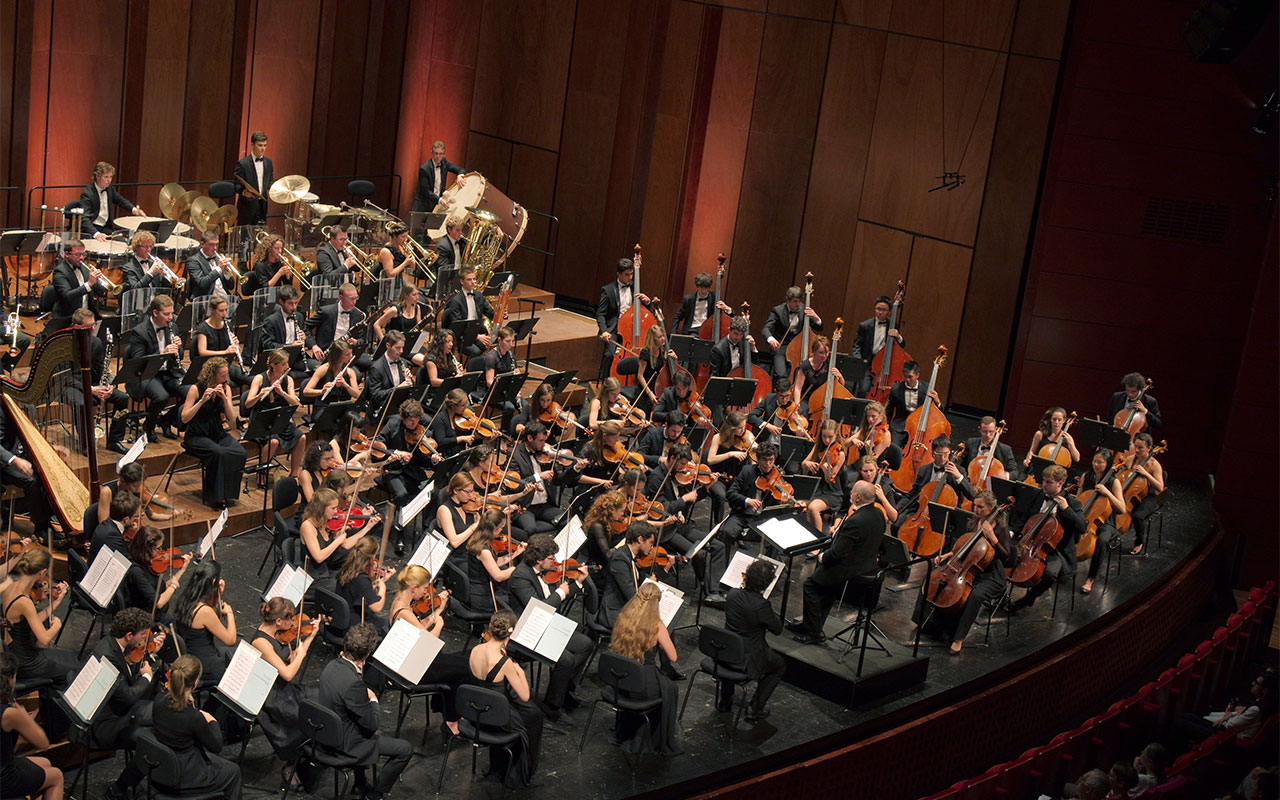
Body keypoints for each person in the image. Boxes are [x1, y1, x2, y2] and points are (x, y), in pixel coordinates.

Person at [318, 623, 412, 800]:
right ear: (367, 654)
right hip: (345, 745)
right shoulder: (354, 684)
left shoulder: (332, 665)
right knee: (405, 749)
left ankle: (360, 784)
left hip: (326, 733)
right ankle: (376, 794)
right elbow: (372, 724)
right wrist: (374, 701)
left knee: (356, 721)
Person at [506, 534, 593, 719]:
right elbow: (540, 609)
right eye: (551, 558)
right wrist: (560, 592)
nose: (555, 562)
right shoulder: (520, 577)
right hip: (528, 630)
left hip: (546, 624)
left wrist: (577, 583)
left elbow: (556, 597)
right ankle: (552, 706)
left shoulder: (543, 572)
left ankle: (563, 692)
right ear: (539, 560)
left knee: (585, 644)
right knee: (565, 659)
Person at [788, 481, 885, 644]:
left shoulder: (857, 520)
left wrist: (822, 557)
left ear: (858, 497)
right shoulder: (878, 514)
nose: (850, 494)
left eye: (852, 492)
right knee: (826, 589)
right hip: (867, 563)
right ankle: (810, 624)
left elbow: (838, 553)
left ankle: (814, 632)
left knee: (811, 585)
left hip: (850, 566)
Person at [922, 490, 1014, 654]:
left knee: (975, 596)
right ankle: (932, 625)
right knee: (934, 578)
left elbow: (1007, 558)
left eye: (980, 507)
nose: (976, 510)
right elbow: (965, 547)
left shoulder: (1001, 528)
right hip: (968, 568)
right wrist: (948, 555)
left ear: (992, 508)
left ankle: (958, 639)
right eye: (975, 506)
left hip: (990, 575)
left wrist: (992, 538)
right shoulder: (973, 522)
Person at [382, 566, 469, 734]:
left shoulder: (399, 602)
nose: (425, 592)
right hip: (411, 669)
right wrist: (440, 624)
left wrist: (438, 611)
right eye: (424, 588)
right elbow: (428, 643)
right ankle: (452, 720)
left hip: (412, 660)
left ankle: (447, 711)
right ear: (414, 588)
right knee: (464, 669)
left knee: (458, 664)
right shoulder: (404, 612)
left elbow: (418, 628)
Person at [91, 608, 163, 800]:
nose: (143, 639)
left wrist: (150, 655)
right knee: (154, 742)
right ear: (129, 634)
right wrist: (147, 677)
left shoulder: (111, 643)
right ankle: (119, 787)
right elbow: (130, 696)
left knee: (164, 716)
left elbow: (126, 682)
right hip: (108, 724)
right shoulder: (109, 658)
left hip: (120, 710)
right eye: (141, 634)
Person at [467, 610, 545, 787]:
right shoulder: (505, 662)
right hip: (497, 715)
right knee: (534, 716)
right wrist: (518, 670)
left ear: (490, 628)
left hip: (478, 710)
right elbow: (525, 696)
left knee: (530, 712)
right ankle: (519, 774)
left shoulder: (475, 650)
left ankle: (497, 767)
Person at [152, 655, 242, 800]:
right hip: (185, 775)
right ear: (195, 683)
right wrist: (212, 721)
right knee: (233, 771)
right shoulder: (193, 716)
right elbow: (216, 746)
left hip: (161, 766)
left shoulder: (159, 699)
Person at [609, 582, 682, 755]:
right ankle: (653, 738)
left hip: (623, 679)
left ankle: (629, 729)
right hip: (644, 683)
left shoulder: (624, 617)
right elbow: (673, 657)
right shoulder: (657, 626)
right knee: (671, 688)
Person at [1007, 464, 1087, 614]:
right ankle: (999, 595)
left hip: (1056, 549)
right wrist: (1012, 532)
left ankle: (1027, 600)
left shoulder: (1073, 503)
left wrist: (1066, 509)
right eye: (1044, 481)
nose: (1044, 485)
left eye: (1049, 482)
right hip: (1030, 541)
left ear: (1060, 483)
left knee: (1050, 574)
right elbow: (1024, 519)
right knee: (1004, 553)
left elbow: (1082, 527)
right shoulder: (1037, 495)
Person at [249, 598, 317, 769]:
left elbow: (291, 658)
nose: (294, 622)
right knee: (305, 717)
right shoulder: (261, 642)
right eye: (290, 619)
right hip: (271, 696)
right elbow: (287, 673)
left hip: (283, 689)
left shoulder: (279, 635)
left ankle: (309, 753)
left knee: (319, 700)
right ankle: (292, 764)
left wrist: (309, 638)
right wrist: (301, 654)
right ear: (279, 621)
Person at [0, 548, 74, 686]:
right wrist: (57, 625)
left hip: (15, 649)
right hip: (24, 660)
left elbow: (32, 620)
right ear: (42, 572)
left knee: (70, 660)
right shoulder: (24, 602)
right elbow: (45, 639)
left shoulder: (12, 587)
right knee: (72, 672)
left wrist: (57, 601)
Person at [180, 358, 247, 509]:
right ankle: (216, 496)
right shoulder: (195, 389)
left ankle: (228, 492)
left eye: (227, 375)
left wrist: (225, 399)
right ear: (212, 375)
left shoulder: (226, 388)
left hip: (216, 432)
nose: (226, 378)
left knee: (240, 452)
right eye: (223, 376)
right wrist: (202, 401)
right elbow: (184, 418)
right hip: (197, 435)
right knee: (219, 453)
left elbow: (231, 419)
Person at [725, 559, 786, 721]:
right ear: (766, 584)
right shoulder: (761, 605)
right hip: (747, 659)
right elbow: (777, 629)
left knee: (734, 646)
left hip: (724, 652)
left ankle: (725, 701)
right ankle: (755, 708)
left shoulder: (732, 594)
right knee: (779, 666)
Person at [0, 652, 64, 800]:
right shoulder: (10, 714)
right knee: (56, 776)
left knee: (45, 763)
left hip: (4, 762)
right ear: (10, 679)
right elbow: (43, 743)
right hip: (4, 779)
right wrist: (25, 720)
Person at [124, 294, 184, 441]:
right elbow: (139, 361)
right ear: (155, 313)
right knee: (161, 396)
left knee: (192, 390)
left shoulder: (173, 326)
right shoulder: (140, 332)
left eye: (172, 313)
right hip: (146, 374)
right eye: (166, 314)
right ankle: (149, 426)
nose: (171, 317)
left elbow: (179, 357)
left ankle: (166, 420)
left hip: (168, 372)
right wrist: (162, 354)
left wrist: (178, 347)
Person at [242, 348, 306, 485]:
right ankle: (262, 472)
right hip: (262, 419)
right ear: (273, 365)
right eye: (284, 364)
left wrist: (282, 393)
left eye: (287, 363)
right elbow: (248, 404)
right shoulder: (259, 379)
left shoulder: (288, 379)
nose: (287, 367)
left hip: (280, 419)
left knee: (301, 437)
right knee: (273, 442)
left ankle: (294, 473)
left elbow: (296, 404)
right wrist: (260, 394)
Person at [72, 308, 130, 453]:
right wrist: (91, 389)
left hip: (91, 384)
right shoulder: (65, 344)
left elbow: (100, 371)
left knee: (122, 398)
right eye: (89, 326)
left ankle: (114, 440)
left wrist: (107, 385)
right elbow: (66, 378)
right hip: (70, 385)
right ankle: (87, 444)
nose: (93, 328)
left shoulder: (95, 342)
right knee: (82, 402)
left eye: (93, 324)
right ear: (77, 327)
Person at [171, 559, 236, 682]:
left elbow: (213, 609)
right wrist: (230, 613)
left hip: (191, 653)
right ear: (213, 582)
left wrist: (219, 593)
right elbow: (230, 639)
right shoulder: (204, 612)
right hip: (204, 664)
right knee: (237, 657)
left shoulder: (186, 598)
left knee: (230, 653)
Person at [596, 256, 653, 380]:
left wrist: (648, 302)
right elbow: (600, 314)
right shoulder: (608, 290)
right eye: (627, 275)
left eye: (632, 274)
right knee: (610, 354)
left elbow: (643, 311)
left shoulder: (635, 287)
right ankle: (606, 383)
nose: (631, 277)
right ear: (619, 274)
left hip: (632, 327)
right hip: (615, 328)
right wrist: (604, 331)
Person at [461, 509, 527, 613]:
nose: (502, 530)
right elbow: (498, 576)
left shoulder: (479, 538)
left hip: (479, 590)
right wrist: (514, 569)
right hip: (481, 598)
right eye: (501, 527)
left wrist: (516, 553)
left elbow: (494, 563)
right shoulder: (483, 550)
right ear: (495, 529)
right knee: (517, 604)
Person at [1078, 448, 1125, 594]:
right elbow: (1078, 499)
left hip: (1106, 522)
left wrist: (1107, 493)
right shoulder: (1087, 476)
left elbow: (1122, 508)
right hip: (1086, 517)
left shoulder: (1113, 481)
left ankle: (1090, 578)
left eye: (1100, 462)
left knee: (1102, 540)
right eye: (1094, 461)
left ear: (1108, 464)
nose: (1096, 465)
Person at [896, 436, 976, 521]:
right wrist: (897, 509)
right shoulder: (924, 470)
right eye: (939, 454)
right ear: (933, 453)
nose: (943, 458)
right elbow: (912, 494)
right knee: (896, 526)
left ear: (950, 452)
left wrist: (959, 477)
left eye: (946, 454)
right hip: (921, 512)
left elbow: (973, 496)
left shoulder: (959, 471)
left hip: (946, 516)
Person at [45, 239, 108, 337]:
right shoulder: (60, 272)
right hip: (68, 317)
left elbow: (100, 292)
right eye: (78, 255)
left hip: (87, 317)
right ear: (67, 254)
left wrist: (98, 281)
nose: (82, 258)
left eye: (83, 254)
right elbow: (68, 296)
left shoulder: (85, 268)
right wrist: (89, 284)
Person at [762, 285, 823, 381]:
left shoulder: (804, 309)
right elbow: (766, 329)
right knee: (781, 373)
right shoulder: (777, 311)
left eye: (799, 301)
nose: (798, 304)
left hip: (799, 346)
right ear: (788, 300)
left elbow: (819, 328)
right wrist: (771, 339)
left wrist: (816, 318)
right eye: (795, 301)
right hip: (782, 346)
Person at [600, 522, 656, 627]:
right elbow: (631, 593)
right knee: (656, 625)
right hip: (616, 612)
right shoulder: (619, 559)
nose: (652, 547)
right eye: (650, 543)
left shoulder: (632, 556)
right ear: (640, 540)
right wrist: (648, 585)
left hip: (628, 606)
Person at [300, 488, 364, 579]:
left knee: (356, 557)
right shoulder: (307, 526)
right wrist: (337, 541)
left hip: (328, 566)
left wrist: (368, 526)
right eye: (333, 508)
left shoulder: (325, 521)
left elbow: (343, 545)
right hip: (316, 577)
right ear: (321, 508)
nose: (336, 512)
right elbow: (319, 557)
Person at [1121, 432, 1165, 556]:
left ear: (1149, 448)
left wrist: (1146, 474)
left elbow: (1160, 487)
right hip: (1131, 493)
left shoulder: (1154, 465)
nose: (1136, 450)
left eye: (1140, 447)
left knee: (1138, 516)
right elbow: (1123, 476)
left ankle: (1139, 542)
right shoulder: (1130, 459)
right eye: (1135, 446)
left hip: (1149, 496)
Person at [851, 295, 905, 396]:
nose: (880, 312)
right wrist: (859, 361)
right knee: (864, 389)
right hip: (867, 363)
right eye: (878, 309)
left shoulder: (892, 324)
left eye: (884, 310)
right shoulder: (865, 325)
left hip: (884, 363)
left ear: (889, 311)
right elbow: (857, 345)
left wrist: (898, 336)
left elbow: (901, 346)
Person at [303, 340, 364, 426]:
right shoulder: (323, 369)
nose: (351, 356)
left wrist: (346, 385)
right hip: (324, 407)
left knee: (357, 423)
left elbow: (357, 395)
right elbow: (306, 391)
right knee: (333, 425)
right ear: (338, 356)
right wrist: (321, 391)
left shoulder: (350, 372)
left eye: (351, 353)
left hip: (343, 408)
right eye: (347, 354)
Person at [306, 283, 368, 367]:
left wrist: (356, 342)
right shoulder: (327, 312)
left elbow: (363, 339)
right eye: (351, 299)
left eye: (356, 298)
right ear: (341, 297)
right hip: (327, 355)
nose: (354, 302)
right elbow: (305, 327)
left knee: (370, 363)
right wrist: (314, 345)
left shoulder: (357, 314)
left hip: (348, 354)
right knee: (356, 375)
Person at [335, 538, 389, 634]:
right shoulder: (361, 578)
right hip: (354, 626)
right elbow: (377, 607)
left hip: (341, 620)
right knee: (387, 625)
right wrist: (383, 588)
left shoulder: (347, 568)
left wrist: (379, 582)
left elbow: (358, 591)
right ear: (371, 557)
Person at [801, 419, 847, 533]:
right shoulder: (818, 447)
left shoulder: (840, 454)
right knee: (799, 506)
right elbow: (803, 464)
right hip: (816, 489)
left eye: (830, 437)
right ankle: (808, 536)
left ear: (836, 435)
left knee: (813, 508)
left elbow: (830, 479)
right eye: (824, 436)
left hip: (832, 492)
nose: (826, 440)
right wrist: (808, 463)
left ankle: (818, 541)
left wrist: (826, 471)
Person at [885, 360, 942, 450]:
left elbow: (938, 412)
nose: (907, 380)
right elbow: (889, 411)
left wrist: (937, 401)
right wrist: (885, 427)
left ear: (917, 375)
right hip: (899, 426)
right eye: (905, 376)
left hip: (918, 427)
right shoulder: (895, 388)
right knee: (893, 449)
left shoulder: (927, 388)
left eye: (910, 377)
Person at [438, 265, 494, 356]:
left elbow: (490, 313)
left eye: (474, 279)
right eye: (469, 280)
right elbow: (458, 326)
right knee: (476, 351)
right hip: (461, 336)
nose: (473, 282)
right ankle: (471, 369)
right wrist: (476, 337)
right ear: (462, 281)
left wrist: (501, 314)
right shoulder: (455, 301)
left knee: (490, 346)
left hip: (477, 331)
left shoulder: (478, 295)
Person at [78, 161, 142, 239]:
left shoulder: (109, 189)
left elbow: (120, 200)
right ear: (97, 176)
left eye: (110, 177)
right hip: (92, 229)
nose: (109, 180)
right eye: (106, 177)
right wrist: (96, 234)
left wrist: (134, 210)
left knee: (121, 243)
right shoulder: (88, 194)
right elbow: (84, 219)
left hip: (105, 227)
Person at [194, 297, 249, 387]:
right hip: (211, 367)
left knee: (249, 378)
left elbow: (231, 349)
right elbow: (202, 352)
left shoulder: (227, 325)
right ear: (212, 310)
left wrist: (235, 345)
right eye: (221, 311)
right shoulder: (203, 328)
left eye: (226, 310)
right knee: (228, 384)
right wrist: (225, 352)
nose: (224, 314)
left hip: (226, 364)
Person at [365, 330, 415, 421]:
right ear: (388, 346)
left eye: (402, 347)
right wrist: (397, 389)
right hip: (383, 409)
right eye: (398, 348)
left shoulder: (402, 362)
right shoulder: (376, 368)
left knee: (425, 419)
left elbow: (411, 389)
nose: (401, 351)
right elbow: (376, 396)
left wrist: (410, 380)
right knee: (401, 420)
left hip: (400, 406)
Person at [958, 415, 1019, 486]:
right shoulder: (971, 443)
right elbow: (960, 465)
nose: (988, 435)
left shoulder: (1005, 450)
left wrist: (1005, 475)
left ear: (996, 429)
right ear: (979, 429)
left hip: (992, 487)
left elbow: (1015, 472)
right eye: (985, 431)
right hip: (970, 484)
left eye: (991, 432)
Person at [1021, 406, 1080, 473]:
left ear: (1064, 421)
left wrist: (1071, 444)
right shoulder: (1040, 434)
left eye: (1059, 420)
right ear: (1050, 420)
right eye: (1054, 419)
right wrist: (1027, 459)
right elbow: (1032, 451)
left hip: (1056, 474)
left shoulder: (1067, 438)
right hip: (1038, 470)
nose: (1056, 422)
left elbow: (1077, 458)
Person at [672, 271, 732, 336]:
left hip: (708, 330)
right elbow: (678, 317)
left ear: (709, 287)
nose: (703, 291)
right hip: (692, 330)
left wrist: (727, 309)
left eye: (706, 288)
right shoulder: (688, 299)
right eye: (701, 288)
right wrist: (673, 334)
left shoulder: (715, 297)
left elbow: (727, 315)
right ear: (697, 286)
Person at [412, 140, 464, 213]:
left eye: (441, 154)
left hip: (436, 204)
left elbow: (460, 169)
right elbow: (426, 192)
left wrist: (460, 175)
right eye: (436, 153)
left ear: (444, 154)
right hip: (423, 204)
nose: (438, 156)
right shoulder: (424, 169)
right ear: (432, 153)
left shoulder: (444, 162)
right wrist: (439, 200)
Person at [121, 230, 178, 296]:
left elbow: (163, 288)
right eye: (145, 246)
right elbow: (135, 289)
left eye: (150, 246)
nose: (148, 249)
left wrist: (165, 277)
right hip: (139, 302)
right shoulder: (128, 268)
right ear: (136, 247)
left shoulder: (153, 264)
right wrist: (150, 272)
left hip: (155, 300)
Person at [233, 130, 272, 226]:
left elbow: (270, 180)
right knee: (245, 238)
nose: (263, 148)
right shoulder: (243, 163)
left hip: (262, 206)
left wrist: (277, 190)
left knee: (260, 236)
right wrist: (244, 192)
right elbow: (237, 185)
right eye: (260, 145)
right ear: (252, 145)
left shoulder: (268, 162)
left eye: (265, 145)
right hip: (247, 207)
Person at [185, 230, 237, 300]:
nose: (215, 248)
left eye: (217, 244)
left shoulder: (218, 258)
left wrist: (226, 273)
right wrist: (218, 269)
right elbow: (202, 284)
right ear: (202, 244)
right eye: (211, 244)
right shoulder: (193, 261)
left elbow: (231, 287)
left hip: (224, 299)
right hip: (207, 301)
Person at [791, 336, 843, 405]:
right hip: (806, 400)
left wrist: (840, 376)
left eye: (826, 352)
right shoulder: (805, 366)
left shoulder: (829, 364)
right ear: (814, 352)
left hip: (822, 400)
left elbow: (841, 385)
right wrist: (797, 405)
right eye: (821, 352)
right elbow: (797, 389)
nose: (824, 356)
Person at [1107, 371, 1163, 436]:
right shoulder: (1117, 397)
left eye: (1133, 391)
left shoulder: (1150, 401)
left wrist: (1145, 411)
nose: (1130, 394)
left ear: (1140, 389)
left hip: (1137, 441)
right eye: (1127, 390)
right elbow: (1110, 418)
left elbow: (1158, 424)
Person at [709, 315, 758, 379]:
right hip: (726, 380)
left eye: (741, 334)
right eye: (735, 333)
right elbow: (714, 375)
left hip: (741, 378)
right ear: (729, 330)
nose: (738, 337)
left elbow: (754, 364)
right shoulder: (718, 349)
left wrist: (753, 347)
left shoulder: (744, 343)